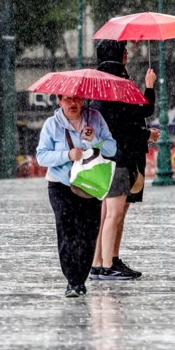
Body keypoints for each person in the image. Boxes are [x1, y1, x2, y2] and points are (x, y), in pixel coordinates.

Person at [36, 94, 117, 298]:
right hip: (60, 185)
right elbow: (42, 156)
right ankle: (74, 281)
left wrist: (95, 140)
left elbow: (112, 148)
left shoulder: (95, 119)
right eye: (68, 99)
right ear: (59, 100)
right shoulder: (51, 125)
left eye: (77, 99)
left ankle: (81, 275)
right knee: (67, 230)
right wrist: (67, 155)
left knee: (88, 232)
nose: (73, 104)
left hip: (89, 185)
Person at [89, 39, 157, 281]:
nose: (128, 54)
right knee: (115, 214)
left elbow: (116, 122)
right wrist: (149, 86)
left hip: (105, 158)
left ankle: (101, 262)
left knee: (107, 213)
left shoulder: (97, 85)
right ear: (121, 57)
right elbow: (142, 111)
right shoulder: (119, 84)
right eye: (125, 51)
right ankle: (108, 265)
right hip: (119, 158)